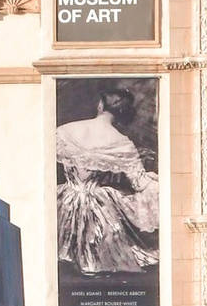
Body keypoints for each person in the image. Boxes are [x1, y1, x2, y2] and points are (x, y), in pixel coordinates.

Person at [55, 88, 159, 276]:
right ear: (122, 113)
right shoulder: (122, 142)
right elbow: (139, 183)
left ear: (100, 105)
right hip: (99, 207)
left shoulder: (64, 130)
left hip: (64, 201)